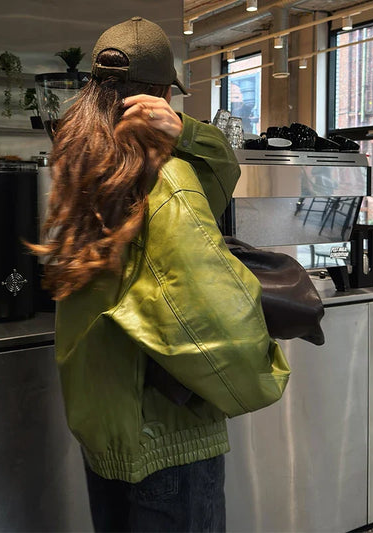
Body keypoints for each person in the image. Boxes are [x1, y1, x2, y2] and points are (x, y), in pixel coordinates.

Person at [31, 16, 288, 532]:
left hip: (106, 427)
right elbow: (212, 315)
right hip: (166, 435)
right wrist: (268, 370)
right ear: (162, 96)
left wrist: (186, 134)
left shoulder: (81, 173)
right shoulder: (165, 177)